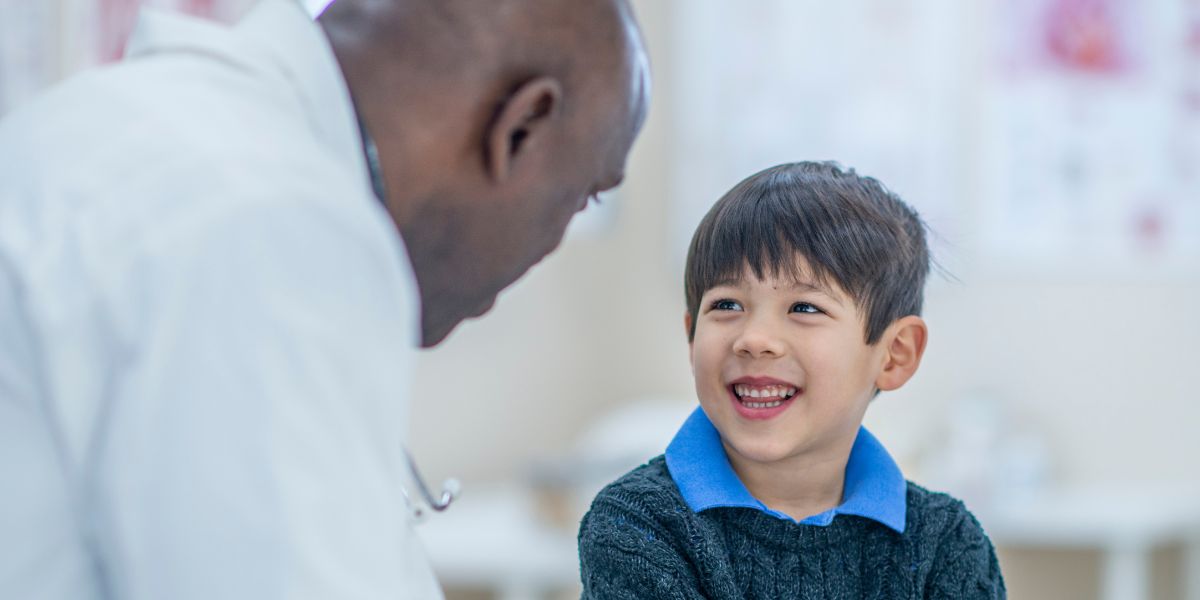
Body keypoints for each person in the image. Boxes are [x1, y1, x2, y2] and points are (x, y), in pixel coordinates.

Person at [0, 0, 649, 598]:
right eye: (583, 194)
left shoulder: (122, 126)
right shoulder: (264, 216)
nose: (555, 244)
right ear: (520, 129)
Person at [578, 162, 1004, 599]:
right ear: (691, 335)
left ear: (894, 354)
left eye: (804, 308)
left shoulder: (946, 544)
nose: (755, 339)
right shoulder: (636, 524)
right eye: (726, 304)